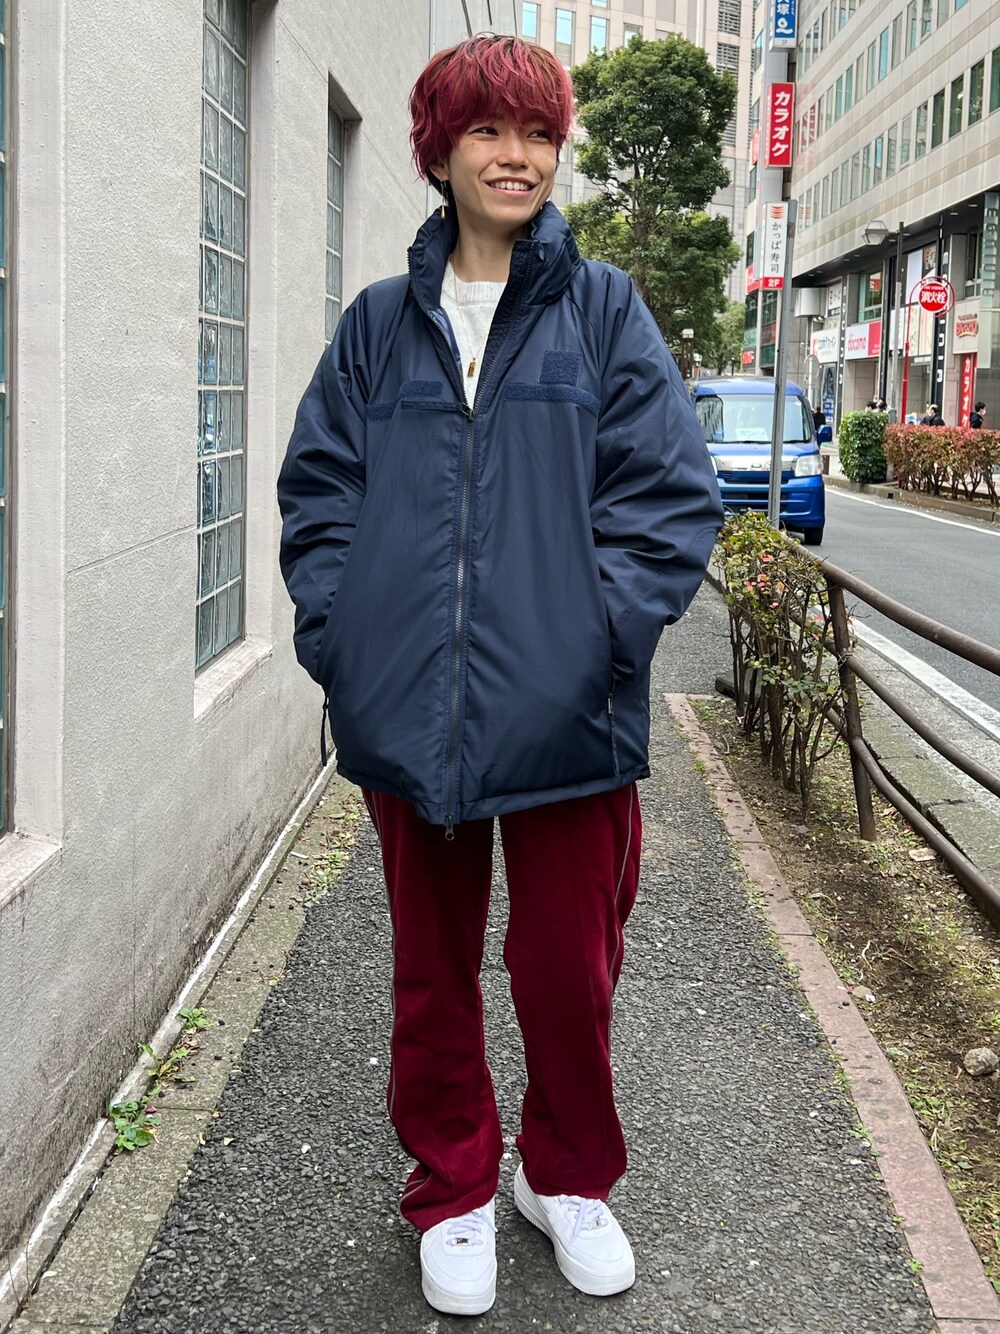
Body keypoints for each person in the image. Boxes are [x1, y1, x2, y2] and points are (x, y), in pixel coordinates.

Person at [277, 35, 722, 1318]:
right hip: (410, 713)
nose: (515, 155)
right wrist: (343, 642)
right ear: (441, 150)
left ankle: (565, 1174)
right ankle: (454, 1183)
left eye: (536, 132)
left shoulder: (605, 312)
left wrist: (595, 645)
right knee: (432, 969)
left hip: (569, 715)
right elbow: (321, 496)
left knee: (567, 969)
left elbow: (665, 502)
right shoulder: (378, 325)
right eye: (487, 130)